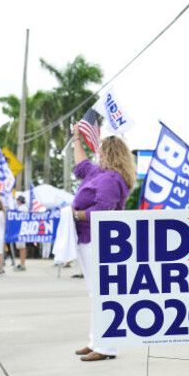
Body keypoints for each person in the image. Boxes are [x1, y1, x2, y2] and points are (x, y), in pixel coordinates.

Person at [71, 127, 137, 362]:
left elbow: (103, 210)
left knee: (102, 293)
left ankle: (107, 347)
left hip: (101, 242)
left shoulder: (111, 179)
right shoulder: (98, 173)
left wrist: (75, 215)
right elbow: (81, 165)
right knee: (95, 293)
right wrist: (77, 138)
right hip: (89, 240)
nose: (98, 154)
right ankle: (96, 341)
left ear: (111, 154)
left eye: (102, 151)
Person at [14, 195, 28, 271]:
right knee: (20, 248)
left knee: (22, 247)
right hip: (20, 229)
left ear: (20, 201)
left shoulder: (22, 208)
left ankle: (23, 264)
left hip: (21, 229)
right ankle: (22, 263)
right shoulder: (22, 208)